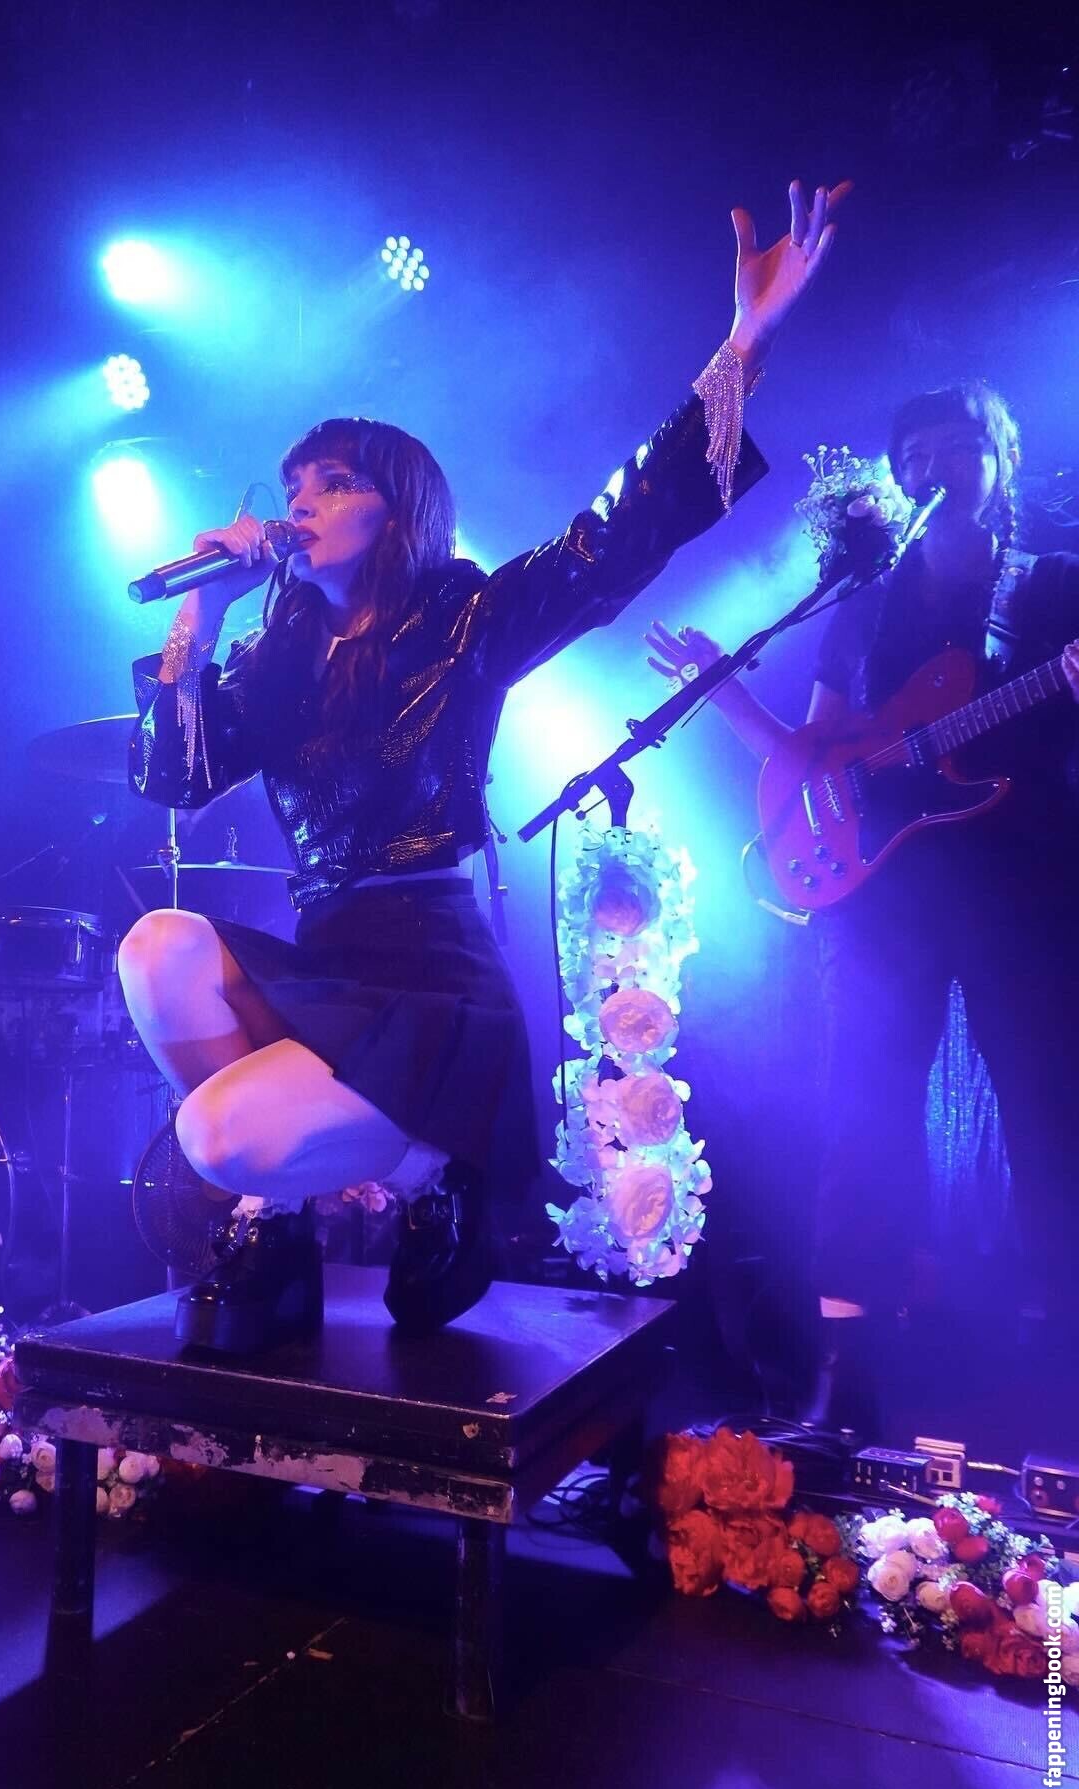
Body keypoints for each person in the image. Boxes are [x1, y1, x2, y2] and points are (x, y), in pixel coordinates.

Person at [120, 181, 848, 1355]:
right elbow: (172, 779)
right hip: (327, 961)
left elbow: (615, 539)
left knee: (216, 1137)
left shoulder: (464, 620)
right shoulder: (274, 662)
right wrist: (199, 616)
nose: (303, 506)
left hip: (431, 980)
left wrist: (744, 347)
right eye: (295, 489)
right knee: (157, 947)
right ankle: (286, 1230)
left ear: (399, 507)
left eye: (335, 484)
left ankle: (431, 1171)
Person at [647, 382, 1079, 1418]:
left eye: (958, 445)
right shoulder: (868, 602)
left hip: (1020, 882)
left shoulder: (1053, 584)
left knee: (1048, 1111)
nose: (934, 466)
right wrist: (723, 690)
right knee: (863, 1112)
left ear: (1001, 459)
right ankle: (846, 1369)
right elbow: (814, 758)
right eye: (914, 452)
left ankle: (1064, 1361)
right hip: (885, 892)